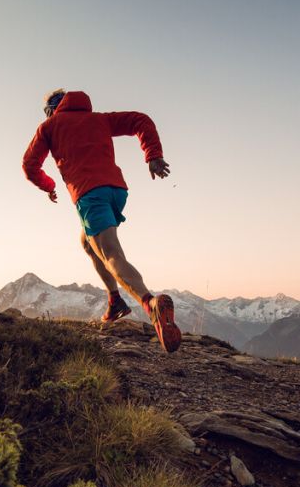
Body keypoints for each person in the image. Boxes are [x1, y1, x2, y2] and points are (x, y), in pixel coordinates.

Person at [22, 88, 181, 353]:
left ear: (51, 109)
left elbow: (29, 164)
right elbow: (140, 119)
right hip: (116, 191)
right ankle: (115, 301)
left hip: (89, 193)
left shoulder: (49, 126)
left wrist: (49, 185)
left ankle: (150, 304)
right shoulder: (100, 119)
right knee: (87, 243)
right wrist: (153, 155)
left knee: (111, 254)